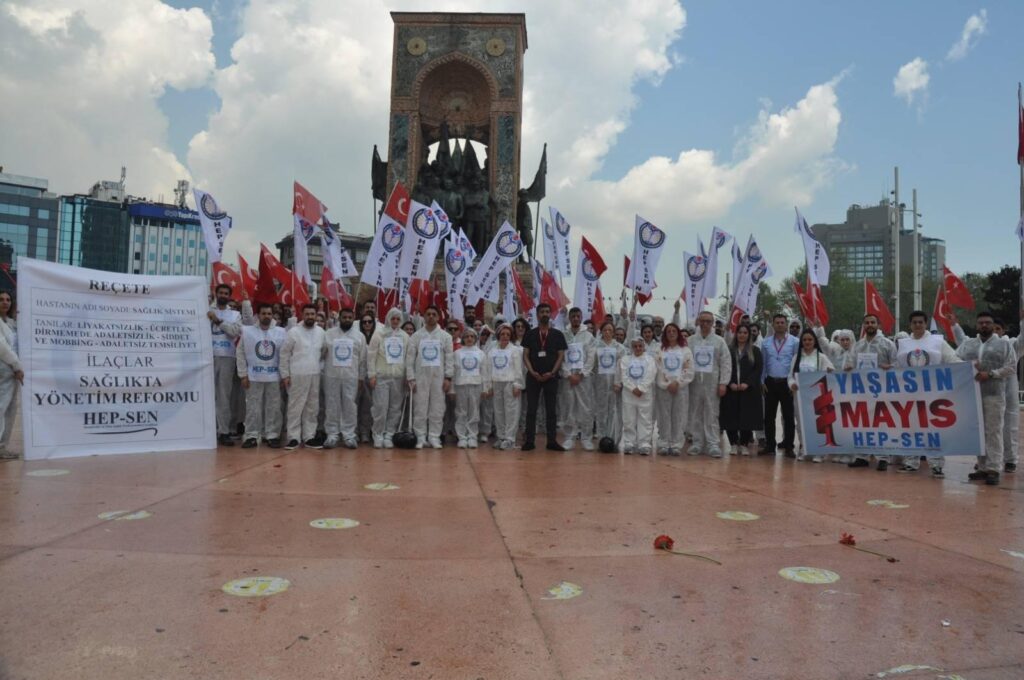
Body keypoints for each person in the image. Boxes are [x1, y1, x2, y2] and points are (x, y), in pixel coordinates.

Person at [894, 310, 961, 477]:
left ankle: (936, 464)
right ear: (910, 325)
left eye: (921, 322)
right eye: (914, 322)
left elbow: (952, 359)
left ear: (925, 324)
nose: (918, 325)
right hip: (910, 394)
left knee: (933, 429)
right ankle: (910, 462)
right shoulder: (903, 344)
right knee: (910, 428)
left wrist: (968, 368)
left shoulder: (937, 342)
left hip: (933, 393)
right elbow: (898, 366)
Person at [954, 313, 1021, 474]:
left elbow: (1011, 367)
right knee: (978, 432)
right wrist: (968, 365)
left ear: (993, 325)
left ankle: (994, 468)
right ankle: (982, 467)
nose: (984, 325)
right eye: (981, 323)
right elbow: (953, 359)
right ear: (977, 325)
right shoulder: (968, 344)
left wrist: (991, 374)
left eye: (988, 323)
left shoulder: (1004, 345)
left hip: (994, 395)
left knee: (994, 431)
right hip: (972, 395)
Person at [846, 314, 898, 470]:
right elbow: (851, 363)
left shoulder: (887, 344)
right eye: (867, 322)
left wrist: (890, 367)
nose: (869, 325)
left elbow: (898, 364)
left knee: (882, 423)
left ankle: (883, 457)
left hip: (882, 390)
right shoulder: (858, 346)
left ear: (878, 324)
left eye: (873, 322)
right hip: (862, 390)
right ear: (864, 325)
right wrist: (849, 368)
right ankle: (862, 456)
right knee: (863, 422)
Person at [235, 303, 286, 448]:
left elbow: (284, 355)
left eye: (269, 314)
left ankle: (272, 435)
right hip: (253, 377)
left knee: (274, 407)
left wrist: (284, 375)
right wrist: (243, 374)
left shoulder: (281, 332)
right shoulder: (247, 331)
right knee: (252, 407)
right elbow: (240, 353)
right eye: (264, 313)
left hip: (274, 377)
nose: (267, 316)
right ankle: (251, 435)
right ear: (258, 315)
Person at [279, 304, 327, 450]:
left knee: (312, 407)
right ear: (302, 314)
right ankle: (293, 437)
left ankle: (309, 437)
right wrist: (285, 374)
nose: (310, 317)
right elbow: (284, 354)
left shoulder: (321, 332)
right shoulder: (294, 332)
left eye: (313, 314)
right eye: (307, 314)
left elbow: (324, 352)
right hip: (297, 374)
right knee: (295, 407)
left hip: (314, 374)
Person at [521, 303, 568, 451]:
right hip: (533, 377)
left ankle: (552, 441)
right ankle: (529, 441)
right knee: (531, 410)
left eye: (547, 311)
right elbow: (525, 355)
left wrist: (552, 372)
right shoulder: (530, 334)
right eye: (542, 312)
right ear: (537, 314)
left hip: (551, 377)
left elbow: (561, 356)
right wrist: (532, 371)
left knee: (551, 410)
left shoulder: (558, 334)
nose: (545, 314)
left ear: (550, 314)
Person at [406, 305, 454, 449]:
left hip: (438, 378)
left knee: (437, 408)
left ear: (438, 317)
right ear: (424, 316)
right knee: (420, 407)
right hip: (420, 377)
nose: (431, 316)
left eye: (434, 314)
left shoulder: (446, 337)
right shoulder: (416, 336)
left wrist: (448, 377)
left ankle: (434, 436)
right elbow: (410, 359)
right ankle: (420, 437)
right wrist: (411, 378)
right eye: (428, 314)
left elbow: (449, 358)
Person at [687, 311, 731, 457]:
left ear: (713, 323)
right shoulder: (691, 341)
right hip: (694, 383)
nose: (705, 324)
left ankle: (713, 444)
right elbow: (685, 362)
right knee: (695, 413)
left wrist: (723, 383)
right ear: (698, 322)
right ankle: (697, 443)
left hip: (712, 383)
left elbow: (725, 363)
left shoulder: (719, 341)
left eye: (708, 321)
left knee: (712, 413)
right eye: (703, 321)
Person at [322, 308, 367, 449]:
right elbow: (322, 353)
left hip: (351, 376)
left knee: (350, 405)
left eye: (349, 317)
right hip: (332, 375)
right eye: (344, 317)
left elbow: (362, 360)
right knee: (331, 404)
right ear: (339, 318)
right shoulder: (329, 334)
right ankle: (332, 434)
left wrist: (360, 377)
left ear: (353, 318)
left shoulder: (359, 336)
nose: (347, 319)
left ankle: (349, 435)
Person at [788, 329, 835, 462]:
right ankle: (805, 449)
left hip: (817, 397)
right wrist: (792, 384)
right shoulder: (796, 358)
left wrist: (830, 371)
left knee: (818, 422)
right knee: (802, 423)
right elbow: (790, 376)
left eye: (810, 340)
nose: (807, 342)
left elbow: (832, 372)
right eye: (805, 340)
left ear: (814, 341)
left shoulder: (821, 357)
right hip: (800, 397)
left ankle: (819, 451)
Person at [720, 323, 764, 456]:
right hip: (732, 388)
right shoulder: (729, 349)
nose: (742, 335)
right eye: (740, 332)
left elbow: (758, 370)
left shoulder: (755, 351)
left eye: (745, 333)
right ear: (736, 334)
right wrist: (730, 383)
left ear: (749, 335)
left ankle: (744, 443)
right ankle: (733, 443)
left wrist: (748, 383)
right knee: (730, 415)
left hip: (748, 390)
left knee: (747, 417)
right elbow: (724, 367)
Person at [367, 307, 408, 449]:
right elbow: (371, 356)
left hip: (398, 377)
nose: (395, 321)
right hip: (381, 377)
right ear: (388, 319)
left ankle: (389, 434)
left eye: (398, 319)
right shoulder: (379, 334)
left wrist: (408, 377)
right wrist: (371, 375)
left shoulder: (404, 336)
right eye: (393, 318)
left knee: (395, 408)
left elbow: (408, 358)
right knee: (380, 407)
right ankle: (378, 434)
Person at [209, 284, 242, 446]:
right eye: (220, 292)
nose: (223, 295)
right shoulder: (206, 310)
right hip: (207, 358)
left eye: (226, 293)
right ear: (216, 294)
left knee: (224, 396)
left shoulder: (235, 314)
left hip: (227, 357)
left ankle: (223, 431)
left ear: (229, 296)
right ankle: (208, 430)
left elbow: (234, 332)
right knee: (207, 396)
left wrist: (217, 321)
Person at [762, 313, 799, 456]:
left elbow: (796, 363)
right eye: (777, 322)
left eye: (782, 322)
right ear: (773, 324)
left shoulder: (794, 342)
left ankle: (789, 445)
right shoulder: (765, 342)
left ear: (786, 324)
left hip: (786, 383)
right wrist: (761, 381)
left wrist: (793, 382)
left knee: (789, 416)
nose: (779, 325)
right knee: (769, 416)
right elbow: (764, 363)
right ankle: (770, 445)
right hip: (770, 382)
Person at [655, 323, 694, 455]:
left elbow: (688, 369)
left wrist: (677, 382)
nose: (671, 333)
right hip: (664, 388)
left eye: (674, 331)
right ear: (665, 334)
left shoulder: (685, 350)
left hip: (680, 389)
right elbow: (658, 368)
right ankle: (664, 442)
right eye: (668, 331)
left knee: (679, 415)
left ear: (678, 333)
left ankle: (676, 444)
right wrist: (666, 384)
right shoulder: (660, 350)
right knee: (664, 415)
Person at [559, 307, 596, 450]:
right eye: (573, 316)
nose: (575, 319)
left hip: (583, 378)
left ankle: (586, 437)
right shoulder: (564, 335)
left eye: (577, 316)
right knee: (569, 407)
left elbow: (591, 357)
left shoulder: (588, 336)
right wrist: (568, 374)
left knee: (585, 407)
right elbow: (560, 356)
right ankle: (570, 437)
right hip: (568, 378)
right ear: (569, 317)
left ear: (581, 318)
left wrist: (581, 374)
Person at [617, 337, 657, 455]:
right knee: (629, 419)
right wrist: (633, 388)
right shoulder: (625, 359)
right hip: (629, 394)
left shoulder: (650, 360)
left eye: (640, 346)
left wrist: (641, 388)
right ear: (631, 347)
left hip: (644, 394)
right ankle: (629, 443)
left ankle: (644, 443)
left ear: (644, 347)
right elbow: (623, 375)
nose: (638, 348)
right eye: (635, 346)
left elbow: (651, 374)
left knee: (645, 419)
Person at [488, 324, 523, 450]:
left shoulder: (515, 350)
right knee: (498, 411)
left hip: (510, 383)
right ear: (498, 335)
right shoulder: (492, 351)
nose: (505, 336)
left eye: (508, 334)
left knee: (511, 412)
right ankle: (501, 436)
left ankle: (510, 439)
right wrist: (489, 385)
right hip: (496, 382)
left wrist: (517, 384)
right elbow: (488, 368)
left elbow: (518, 369)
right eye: (503, 334)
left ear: (511, 336)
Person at [453, 328, 490, 448]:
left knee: (474, 412)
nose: (469, 338)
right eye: (467, 336)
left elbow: (485, 372)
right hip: (461, 384)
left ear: (475, 339)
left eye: (472, 336)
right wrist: (452, 389)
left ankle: (472, 436)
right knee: (461, 411)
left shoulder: (481, 353)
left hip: (476, 385)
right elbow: (453, 372)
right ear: (463, 338)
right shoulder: (457, 353)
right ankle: (462, 437)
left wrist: (485, 388)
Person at [592, 321, 626, 448]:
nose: (607, 332)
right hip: (600, 384)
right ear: (601, 331)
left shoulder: (620, 348)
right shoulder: (595, 346)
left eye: (610, 330)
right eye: (605, 330)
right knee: (601, 413)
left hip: (615, 385)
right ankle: (602, 441)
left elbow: (623, 367)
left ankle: (614, 441)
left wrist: (619, 382)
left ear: (613, 332)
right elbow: (592, 365)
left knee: (615, 412)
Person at [0, 291, 22, 459]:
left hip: (13, 374)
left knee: (11, 408)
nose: (5, 302)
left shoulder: (10, 323)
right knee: (1, 407)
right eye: (1, 299)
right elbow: (3, 348)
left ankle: (3, 446)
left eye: (8, 299)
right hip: (4, 370)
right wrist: (16, 365)